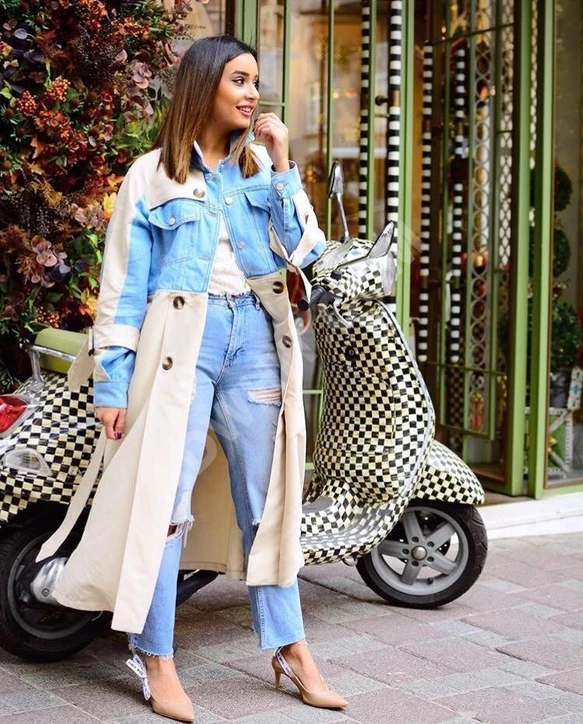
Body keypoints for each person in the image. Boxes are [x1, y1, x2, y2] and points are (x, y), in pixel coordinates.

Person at [40, 35, 348, 723]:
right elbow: (122, 288)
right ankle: (155, 656)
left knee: (267, 504)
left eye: (255, 81)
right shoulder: (151, 175)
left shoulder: (259, 171)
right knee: (165, 505)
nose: (251, 93)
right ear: (204, 84)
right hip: (181, 344)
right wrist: (112, 384)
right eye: (239, 79)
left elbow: (309, 250)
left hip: (255, 341)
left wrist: (283, 163)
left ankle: (291, 648)